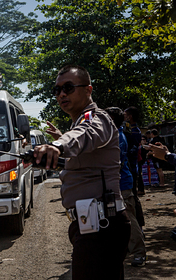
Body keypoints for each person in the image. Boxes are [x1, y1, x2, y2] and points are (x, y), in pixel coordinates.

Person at [32, 65, 130, 280]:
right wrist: (44, 158)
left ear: (88, 90)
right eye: (57, 90)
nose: (62, 94)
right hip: (92, 224)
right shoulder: (78, 121)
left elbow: (84, 134)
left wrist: (57, 145)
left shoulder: (96, 118)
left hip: (102, 227)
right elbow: (79, 162)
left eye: (68, 87)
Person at [105, 107, 147, 267]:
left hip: (122, 185)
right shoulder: (114, 135)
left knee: (128, 219)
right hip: (117, 184)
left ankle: (139, 253)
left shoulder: (116, 137)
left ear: (112, 120)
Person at [123, 106, 143, 195]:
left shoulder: (134, 132)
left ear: (129, 116)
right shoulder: (131, 130)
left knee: (132, 192)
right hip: (131, 164)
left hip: (131, 164)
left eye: (124, 115)